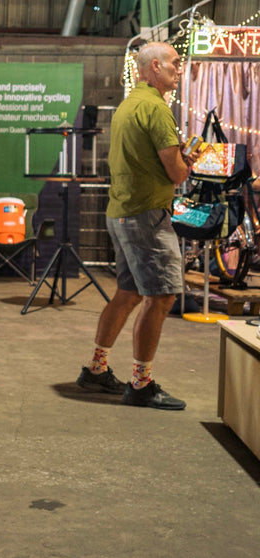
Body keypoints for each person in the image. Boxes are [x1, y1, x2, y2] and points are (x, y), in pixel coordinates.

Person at [77, 41, 200, 409]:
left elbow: (146, 157)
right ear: (155, 66)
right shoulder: (157, 108)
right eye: (174, 62)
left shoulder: (129, 105)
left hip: (121, 212)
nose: (179, 68)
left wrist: (175, 157)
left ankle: (96, 369)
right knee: (161, 297)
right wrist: (187, 162)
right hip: (147, 215)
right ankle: (141, 384)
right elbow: (176, 173)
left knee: (128, 294)